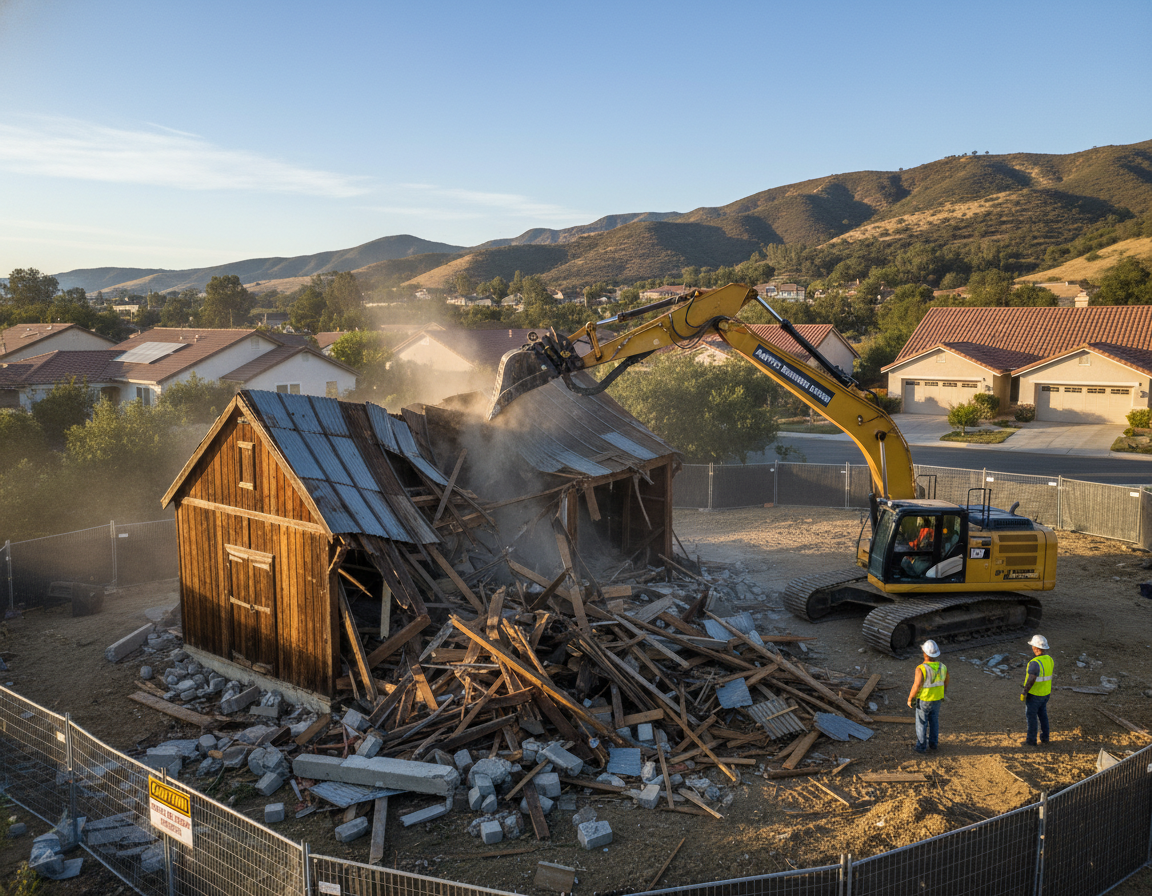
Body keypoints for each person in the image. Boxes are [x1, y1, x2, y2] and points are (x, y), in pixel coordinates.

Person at [907, 639, 949, 753]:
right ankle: (933, 744)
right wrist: (941, 693)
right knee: (934, 721)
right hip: (937, 699)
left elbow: (917, 685)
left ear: (924, 653)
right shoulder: (943, 667)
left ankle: (921, 747)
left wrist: (910, 698)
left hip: (924, 700)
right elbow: (946, 682)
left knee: (921, 723)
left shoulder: (921, 668)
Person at [1021, 634, 1054, 747]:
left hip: (1034, 695)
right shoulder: (1049, 660)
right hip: (1046, 694)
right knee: (1043, 715)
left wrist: (1024, 692)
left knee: (1031, 718)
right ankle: (1045, 738)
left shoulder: (1035, 663)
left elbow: (1031, 679)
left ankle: (1031, 741)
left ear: (1035, 648)